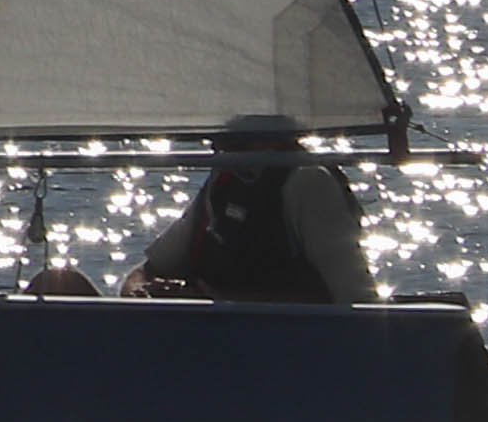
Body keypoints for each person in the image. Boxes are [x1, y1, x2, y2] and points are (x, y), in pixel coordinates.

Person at [132, 116, 378, 304]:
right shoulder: (224, 179)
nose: (218, 147)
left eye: (233, 141)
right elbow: (148, 270)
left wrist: (212, 304)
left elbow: (357, 304)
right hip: (205, 341)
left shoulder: (309, 182)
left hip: (282, 350)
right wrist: (139, 292)